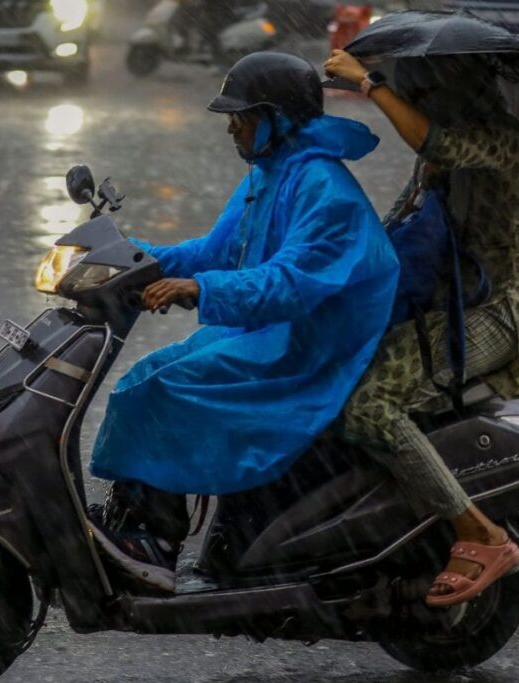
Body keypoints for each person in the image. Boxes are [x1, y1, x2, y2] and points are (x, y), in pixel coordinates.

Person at [87, 52, 400, 593]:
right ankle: (136, 520)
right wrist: (129, 257)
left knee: (167, 390)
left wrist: (200, 289)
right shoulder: (270, 173)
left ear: (277, 119)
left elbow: (288, 283)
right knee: (143, 377)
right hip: (270, 333)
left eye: (243, 115)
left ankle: (157, 541)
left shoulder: (326, 190)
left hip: (311, 349)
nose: (231, 125)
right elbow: (215, 251)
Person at [324, 49, 519, 607]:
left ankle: (479, 532)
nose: (419, 95)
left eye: (425, 85)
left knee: (371, 407)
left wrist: (369, 83)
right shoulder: (447, 152)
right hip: (442, 310)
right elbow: (397, 223)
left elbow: (437, 142)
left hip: (492, 316)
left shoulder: (497, 139)